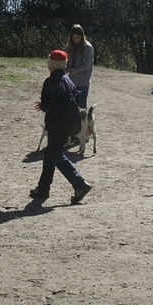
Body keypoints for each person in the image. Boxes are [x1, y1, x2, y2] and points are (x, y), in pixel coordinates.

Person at [30, 50, 92, 204]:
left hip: (56, 123)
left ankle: (80, 184)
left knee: (57, 155)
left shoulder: (50, 81)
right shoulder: (68, 80)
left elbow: (49, 104)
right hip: (67, 124)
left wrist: (42, 105)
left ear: (50, 65)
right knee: (49, 155)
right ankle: (43, 188)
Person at [65, 24, 94, 109]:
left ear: (82, 36)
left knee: (82, 107)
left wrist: (71, 70)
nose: (75, 40)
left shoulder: (88, 47)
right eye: (73, 38)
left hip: (83, 82)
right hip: (71, 81)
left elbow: (86, 66)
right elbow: (66, 61)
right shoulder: (69, 46)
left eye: (78, 37)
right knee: (71, 106)